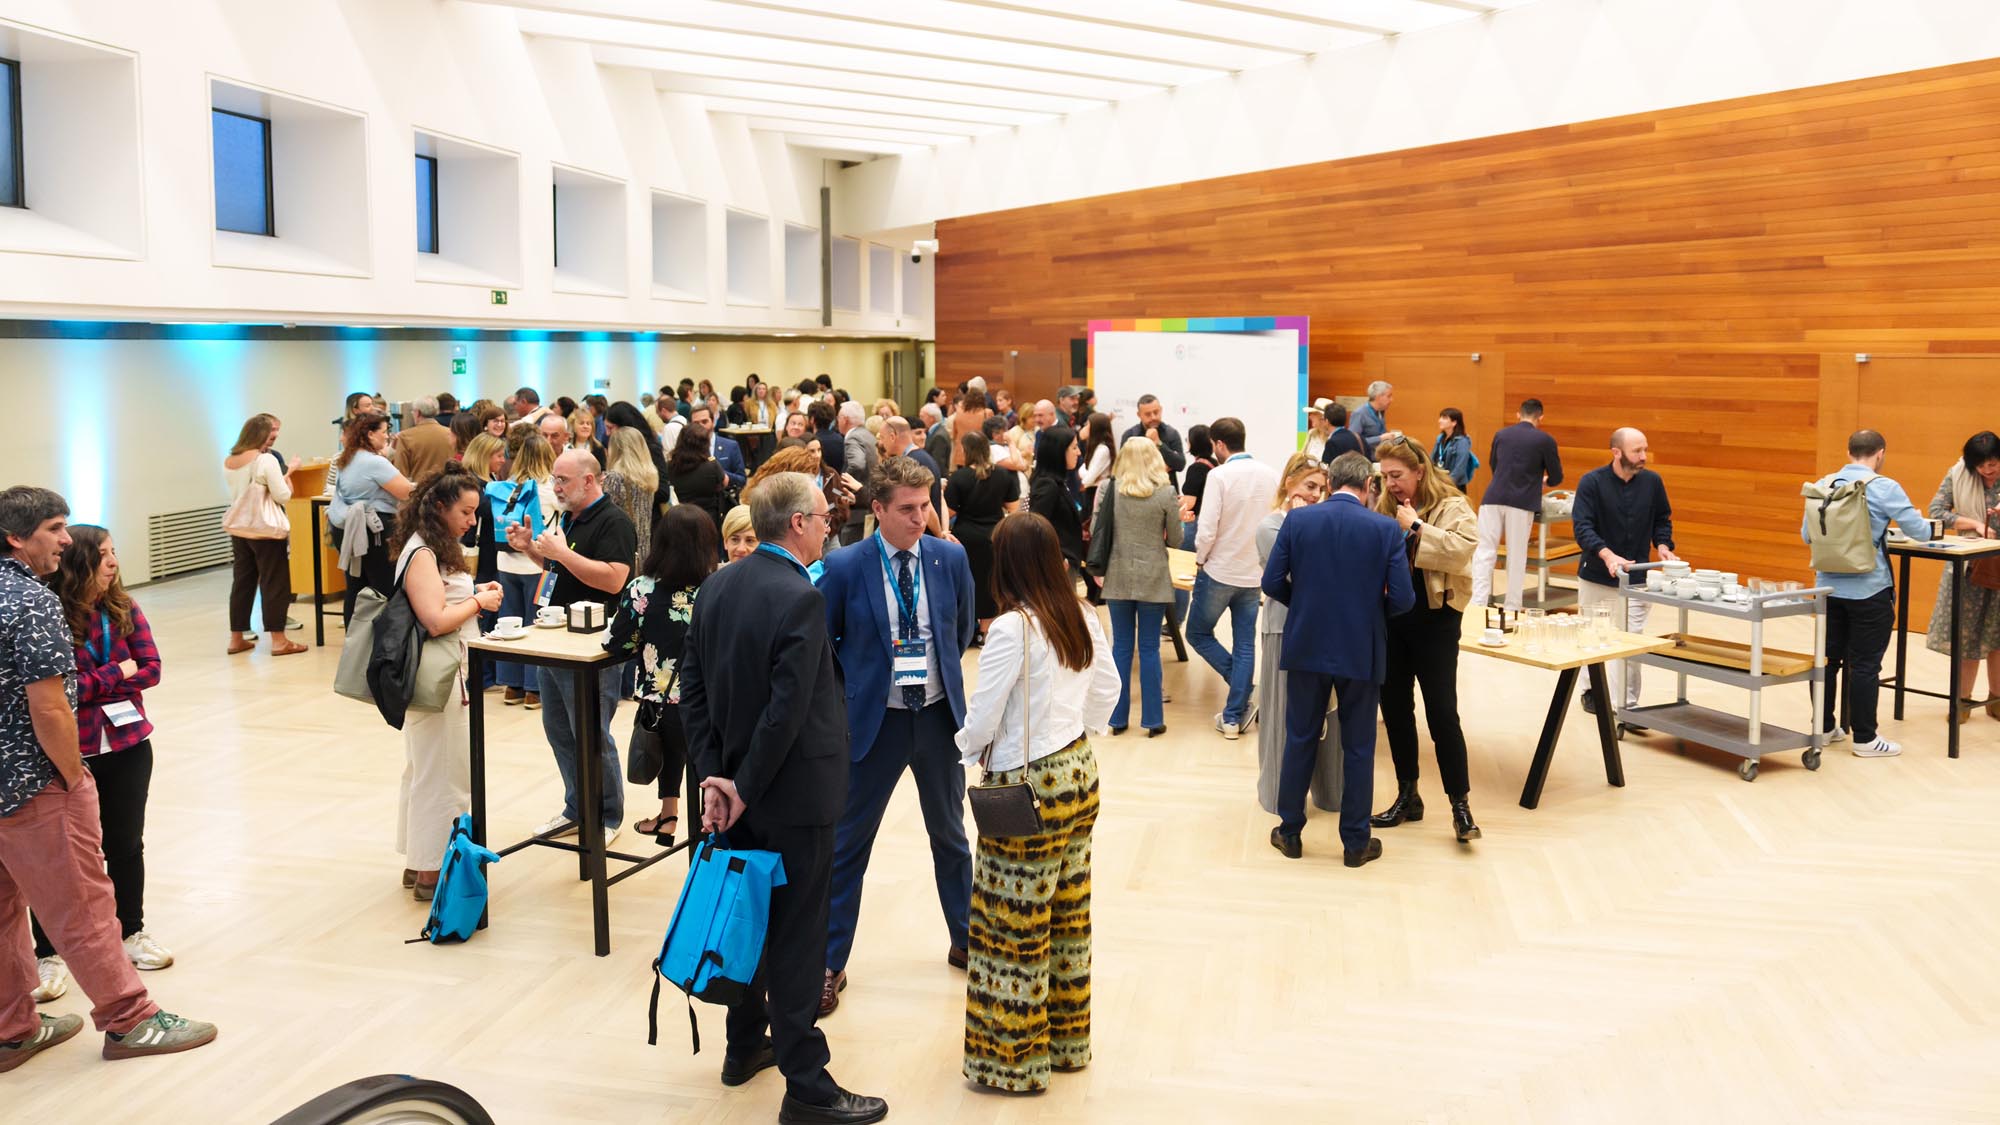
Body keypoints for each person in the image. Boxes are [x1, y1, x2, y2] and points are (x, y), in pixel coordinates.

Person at [678, 474, 887, 1125]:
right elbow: (787, 710)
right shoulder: (800, 596)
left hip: (734, 793)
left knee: (749, 919)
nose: (828, 527)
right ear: (797, 522)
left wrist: (716, 777)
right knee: (798, 935)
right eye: (823, 518)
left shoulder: (717, 585)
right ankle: (807, 1085)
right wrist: (742, 786)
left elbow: (691, 689)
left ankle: (743, 1045)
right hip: (792, 796)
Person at [0, 488, 217, 1070]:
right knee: (84, 903)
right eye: (54, 528)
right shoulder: (31, 600)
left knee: (3, 908)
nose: (65, 540)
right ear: (16, 538)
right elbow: (50, 707)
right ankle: (130, 1020)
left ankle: (12, 1030)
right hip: (32, 782)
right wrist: (74, 778)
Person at [952, 512, 1118, 1094]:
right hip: (1079, 771)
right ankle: (1067, 1044)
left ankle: (1013, 1064)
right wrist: (1076, 731)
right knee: (1068, 914)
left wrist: (965, 749)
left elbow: (984, 715)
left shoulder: (1011, 628)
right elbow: (1108, 690)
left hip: (1029, 786)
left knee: (1011, 925)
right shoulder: (1081, 613)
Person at [817, 458, 977, 1017]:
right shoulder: (844, 565)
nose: (919, 517)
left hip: (936, 720)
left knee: (951, 837)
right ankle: (829, 962)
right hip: (873, 725)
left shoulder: (949, 558)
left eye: (925, 506)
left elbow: (959, 633)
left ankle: (966, 939)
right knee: (847, 846)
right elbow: (826, 644)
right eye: (907, 508)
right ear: (878, 509)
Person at [29, 526, 170, 1001]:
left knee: (125, 844)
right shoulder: (48, 616)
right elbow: (62, 691)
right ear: (79, 562)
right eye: (103, 554)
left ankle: (131, 932)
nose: (113, 562)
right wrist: (117, 672)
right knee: (58, 855)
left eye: (114, 552)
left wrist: (98, 682)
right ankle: (48, 952)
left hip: (128, 743)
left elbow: (150, 669)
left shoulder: (124, 609)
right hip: (70, 749)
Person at [1263, 453, 1415, 865]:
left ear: (1329, 484)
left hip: (1307, 642)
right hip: (1361, 647)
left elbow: (1272, 581)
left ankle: (1290, 832)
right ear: (1368, 486)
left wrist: (1305, 606)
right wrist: (1369, 616)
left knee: (1300, 737)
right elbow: (1403, 598)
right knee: (1359, 747)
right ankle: (1355, 843)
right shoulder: (1385, 528)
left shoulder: (1297, 521)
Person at [505, 450, 637, 840]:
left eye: (563, 480)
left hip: (594, 647)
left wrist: (561, 553)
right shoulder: (568, 518)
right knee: (559, 729)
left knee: (591, 732)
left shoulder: (614, 522)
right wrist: (532, 549)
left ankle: (608, 816)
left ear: (589, 480)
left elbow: (614, 580)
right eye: (554, 479)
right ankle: (577, 808)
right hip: (556, 639)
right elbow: (558, 570)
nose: (556, 487)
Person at [391, 466, 503, 900]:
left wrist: (473, 592)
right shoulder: (422, 551)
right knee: (443, 774)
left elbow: (441, 599)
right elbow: (435, 620)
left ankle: (421, 861)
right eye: (465, 512)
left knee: (427, 769)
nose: (472, 521)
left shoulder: (431, 546)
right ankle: (431, 871)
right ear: (439, 507)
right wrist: (478, 600)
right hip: (440, 679)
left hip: (447, 674)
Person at [1369, 436, 1482, 842]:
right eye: (1385, 476)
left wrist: (1415, 526)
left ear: (1420, 471)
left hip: (1437, 622)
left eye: (1397, 475)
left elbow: (1461, 551)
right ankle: (1408, 796)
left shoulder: (1453, 505)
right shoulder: (1385, 506)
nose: (1391, 484)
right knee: (1396, 710)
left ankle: (1460, 807)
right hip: (1393, 620)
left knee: (1442, 713)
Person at [1804, 430, 1931, 758]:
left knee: (1826, 661)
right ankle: (1865, 738)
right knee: (1864, 665)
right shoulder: (1885, 487)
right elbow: (1920, 532)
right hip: (1869, 590)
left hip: (1827, 589)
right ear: (1880, 453)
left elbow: (1807, 535)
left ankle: (1824, 728)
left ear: (1849, 452)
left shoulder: (1824, 485)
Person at [605, 506, 718, 849]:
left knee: (669, 749)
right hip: (711, 699)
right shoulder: (717, 587)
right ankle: (708, 830)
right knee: (706, 764)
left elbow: (618, 644)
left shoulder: (643, 589)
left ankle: (669, 816)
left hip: (662, 699)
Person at [1571, 428, 1678, 720]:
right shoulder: (1591, 482)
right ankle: (1591, 691)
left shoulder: (1653, 482)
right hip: (1596, 575)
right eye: (1636, 451)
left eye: (1645, 449)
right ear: (1616, 452)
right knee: (1594, 635)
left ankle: (1626, 707)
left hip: (1637, 579)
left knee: (1631, 640)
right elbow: (1582, 527)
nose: (1643, 456)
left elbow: (1662, 519)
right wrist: (1607, 555)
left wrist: (1663, 546)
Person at [1254, 456, 1337, 816]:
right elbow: (1297, 578)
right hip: (1283, 628)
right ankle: (1279, 796)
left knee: (1328, 715)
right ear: (1289, 483)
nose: (1316, 494)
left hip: (1324, 629)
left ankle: (1331, 793)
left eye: (1321, 488)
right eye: (1309, 486)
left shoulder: (1319, 522)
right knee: (1281, 716)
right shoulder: (1270, 527)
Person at [1190, 417, 1279, 739]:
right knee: (1245, 644)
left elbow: (1207, 527)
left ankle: (1241, 697)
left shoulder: (1218, 475)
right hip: (1254, 573)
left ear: (1219, 444)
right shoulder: (1271, 474)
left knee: (1197, 633)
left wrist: (1200, 559)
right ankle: (1233, 714)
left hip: (1219, 570)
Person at [1093, 437, 1180, 736]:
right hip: (1154, 576)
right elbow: (1176, 539)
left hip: (1117, 575)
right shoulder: (1166, 493)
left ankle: (1117, 718)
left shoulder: (1112, 490)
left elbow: (1098, 528)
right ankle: (1153, 720)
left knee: (1121, 647)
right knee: (1150, 648)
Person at [1926, 430, 2000, 718]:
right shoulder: (1958, 474)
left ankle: (1996, 700)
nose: (1987, 470)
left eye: (1993, 464)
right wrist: (1975, 524)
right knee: (1967, 635)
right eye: (1980, 466)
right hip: (1971, 566)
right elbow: (1936, 511)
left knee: (1999, 635)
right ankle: (1962, 701)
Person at [222, 414, 308, 657]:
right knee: (274, 582)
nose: (274, 438)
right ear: (259, 434)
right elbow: (283, 496)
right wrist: (289, 473)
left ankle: (236, 638)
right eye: (271, 433)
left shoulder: (229, 460)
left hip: (240, 528)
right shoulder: (266, 460)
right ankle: (279, 640)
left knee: (242, 581)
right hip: (265, 529)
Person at [1470, 398, 1564, 611]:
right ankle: (1512, 606)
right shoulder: (1545, 440)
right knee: (1516, 554)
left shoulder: (1501, 434)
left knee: (1484, 551)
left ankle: (1478, 603)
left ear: (1518, 414)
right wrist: (1545, 481)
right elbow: (1556, 475)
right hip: (1522, 501)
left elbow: (1494, 464)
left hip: (1492, 498)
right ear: (1540, 417)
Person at [491, 434, 558, 709]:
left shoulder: (507, 488)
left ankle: (511, 686)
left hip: (505, 563)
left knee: (509, 621)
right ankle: (534, 688)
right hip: (539, 564)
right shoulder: (550, 490)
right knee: (537, 623)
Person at [330, 411, 414, 622]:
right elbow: (406, 492)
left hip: (350, 528)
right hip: (375, 529)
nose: (387, 436)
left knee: (356, 586)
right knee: (385, 586)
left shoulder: (346, 459)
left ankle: (355, 636)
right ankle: (386, 636)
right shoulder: (374, 462)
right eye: (384, 432)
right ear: (370, 434)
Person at [946, 432, 1022, 633]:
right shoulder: (1002, 474)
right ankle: (987, 630)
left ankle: (968, 628)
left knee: (968, 583)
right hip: (995, 536)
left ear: (966, 450)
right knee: (991, 583)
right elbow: (1014, 508)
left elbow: (950, 511)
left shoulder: (959, 477)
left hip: (966, 538)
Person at [1027, 426, 1088, 599]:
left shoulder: (1057, 481)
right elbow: (1036, 527)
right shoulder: (1048, 484)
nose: (1078, 453)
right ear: (1059, 451)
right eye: (1074, 447)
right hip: (1057, 564)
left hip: (1063, 562)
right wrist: (1057, 559)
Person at [602, 426, 661, 569]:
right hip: (644, 548)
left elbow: (606, 516)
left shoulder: (614, 478)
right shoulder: (649, 476)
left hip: (621, 549)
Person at [668, 420, 728, 535]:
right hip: (708, 518)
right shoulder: (712, 465)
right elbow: (725, 482)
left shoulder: (670, 466)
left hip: (679, 518)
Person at [1120, 394, 1187, 489]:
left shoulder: (1171, 433)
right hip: (1137, 491)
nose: (1153, 417)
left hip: (1166, 491)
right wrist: (1158, 469)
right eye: (1148, 414)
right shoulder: (1130, 435)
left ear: (1161, 410)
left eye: (1156, 412)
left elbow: (1180, 465)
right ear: (1139, 415)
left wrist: (1159, 443)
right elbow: (1123, 468)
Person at [391, 396, 455, 486]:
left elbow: (401, 473)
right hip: (447, 488)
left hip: (420, 489)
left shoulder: (405, 437)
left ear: (418, 413)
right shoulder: (451, 434)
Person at [836, 402, 876, 545]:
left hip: (857, 508)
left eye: (838, 418)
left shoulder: (853, 438)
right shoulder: (868, 434)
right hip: (868, 501)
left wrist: (842, 485)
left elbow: (857, 464)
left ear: (845, 419)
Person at [690, 401, 748, 490]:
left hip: (724, 495)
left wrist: (720, 474)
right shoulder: (687, 449)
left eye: (704, 422)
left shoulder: (731, 446)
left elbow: (742, 480)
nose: (701, 426)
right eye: (696, 423)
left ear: (713, 422)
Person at [1433, 408, 1475, 490]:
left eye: (1444, 418)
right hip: (1439, 485)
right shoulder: (1440, 439)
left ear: (1454, 422)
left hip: (1454, 487)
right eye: (1440, 417)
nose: (1439, 420)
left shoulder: (1462, 442)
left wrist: (1446, 484)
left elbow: (1460, 469)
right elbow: (1432, 461)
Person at [949, 387, 990, 469]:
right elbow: (990, 434)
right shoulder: (986, 413)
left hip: (961, 453)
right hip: (979, 453)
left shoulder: (958, 413)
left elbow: (954, 435)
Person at [1351, 381, 1394, 457]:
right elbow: (1354, 441)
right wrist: (1380, 438)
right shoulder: (1360, 414)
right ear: (1378, 397)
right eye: (1389, 396)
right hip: (1366, 459)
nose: (1391, 400)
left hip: (1380, 456)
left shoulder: (1380, 412)